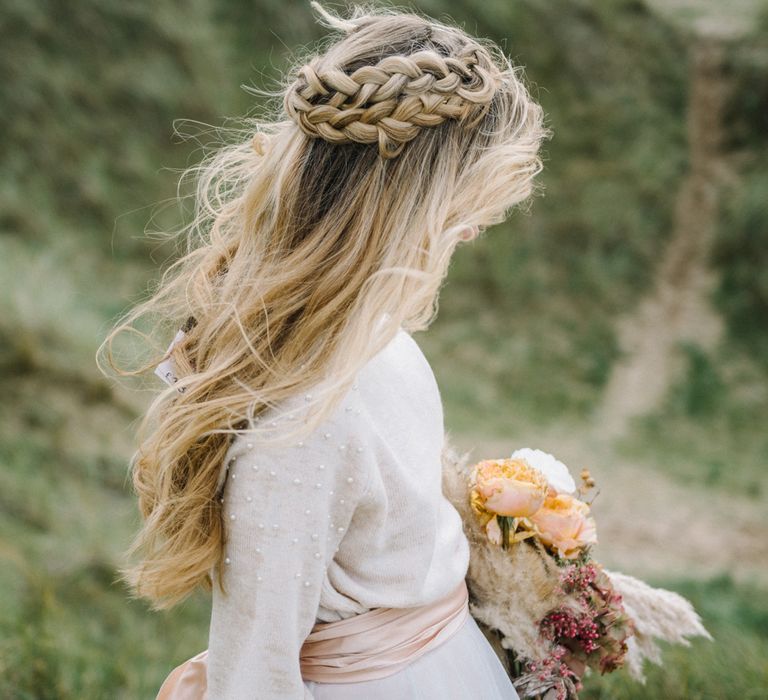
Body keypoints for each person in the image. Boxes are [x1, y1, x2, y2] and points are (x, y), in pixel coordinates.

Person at [99, 3, 547, 698]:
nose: (471, 234)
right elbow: (255, 672)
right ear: (409, 206)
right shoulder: (303, 425)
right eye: (467, 210)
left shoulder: (383, 344)